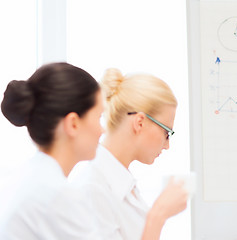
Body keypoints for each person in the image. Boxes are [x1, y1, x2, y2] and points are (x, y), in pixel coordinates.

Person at [68, 68, 189, 240]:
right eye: (166, 133)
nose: (167, 145)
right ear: (140, 122)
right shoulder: (92, 189)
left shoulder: (123, 183)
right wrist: (158, 215)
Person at [0, 62, 104, 239]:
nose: (103, 130)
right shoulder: (56, 194)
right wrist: (158, 215)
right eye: (98, 117)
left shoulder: (32, 176)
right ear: (73, 123)